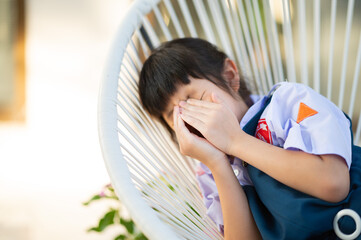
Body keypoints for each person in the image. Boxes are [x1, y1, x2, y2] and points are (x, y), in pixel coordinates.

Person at [138, 37, 361, 240]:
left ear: (230, 76)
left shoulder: (288, 103)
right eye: (174, 116)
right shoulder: (208, 173)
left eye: (195, 99)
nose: (191, 118)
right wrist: (217, 164)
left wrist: (235, 141)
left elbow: (333, 183)